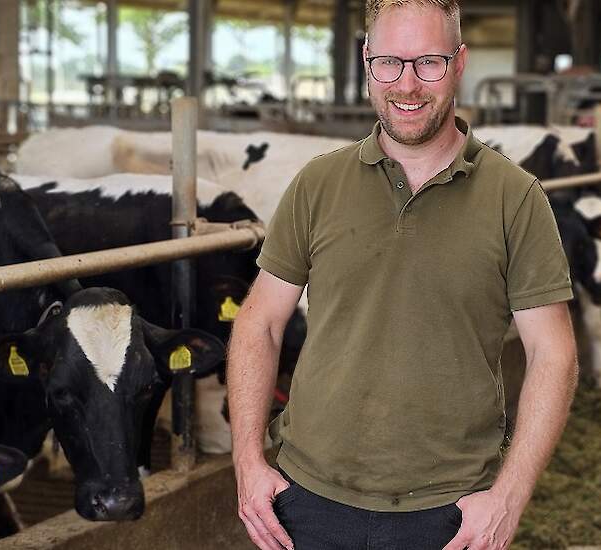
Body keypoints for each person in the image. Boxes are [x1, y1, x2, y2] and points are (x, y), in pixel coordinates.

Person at [227, 1, 579, 549]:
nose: (408, 85)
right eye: (389, 62)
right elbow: (260, 323)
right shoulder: (316, 185)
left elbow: (554, 355)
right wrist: (248, 463)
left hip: (451, 511)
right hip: (307, 502)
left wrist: (509, 497)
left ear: (459, 64)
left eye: (429, 63)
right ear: (367, 62)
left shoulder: (517, 198)